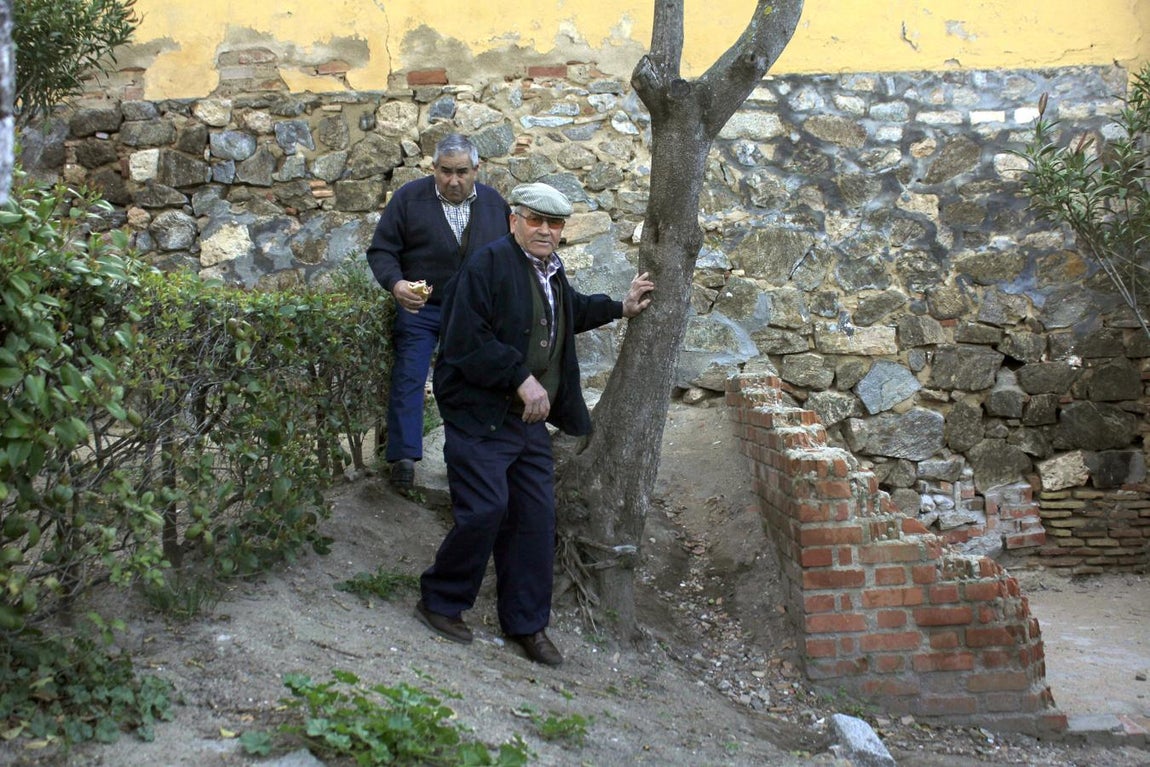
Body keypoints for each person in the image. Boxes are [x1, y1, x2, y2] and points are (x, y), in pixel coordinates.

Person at [413, 182, 655, 667]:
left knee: (536, 520)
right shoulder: (487, 264)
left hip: (527, 422)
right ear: (514, 221)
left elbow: (567, 313)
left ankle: (526, 624)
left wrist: (619, 308)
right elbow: (465, 338)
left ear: (562, 230)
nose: (545, 229)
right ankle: (440, 601)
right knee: (484, 510)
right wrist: (521, 378)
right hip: (481, 416)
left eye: (554, 223)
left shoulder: (551, 272)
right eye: (534, 220)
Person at [365, 134, 511, 489]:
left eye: (462, 171)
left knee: (474, 382)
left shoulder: (494, 205)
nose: (453, 180)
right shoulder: (409, 199)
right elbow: (382, 250)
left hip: (475, 313)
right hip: (422, 307)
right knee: (409, 376)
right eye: (445, 172)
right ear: (434, 169)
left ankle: (467, 458)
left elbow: (510, 256)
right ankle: (402, 457)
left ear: (477, 169)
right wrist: (396, 285)